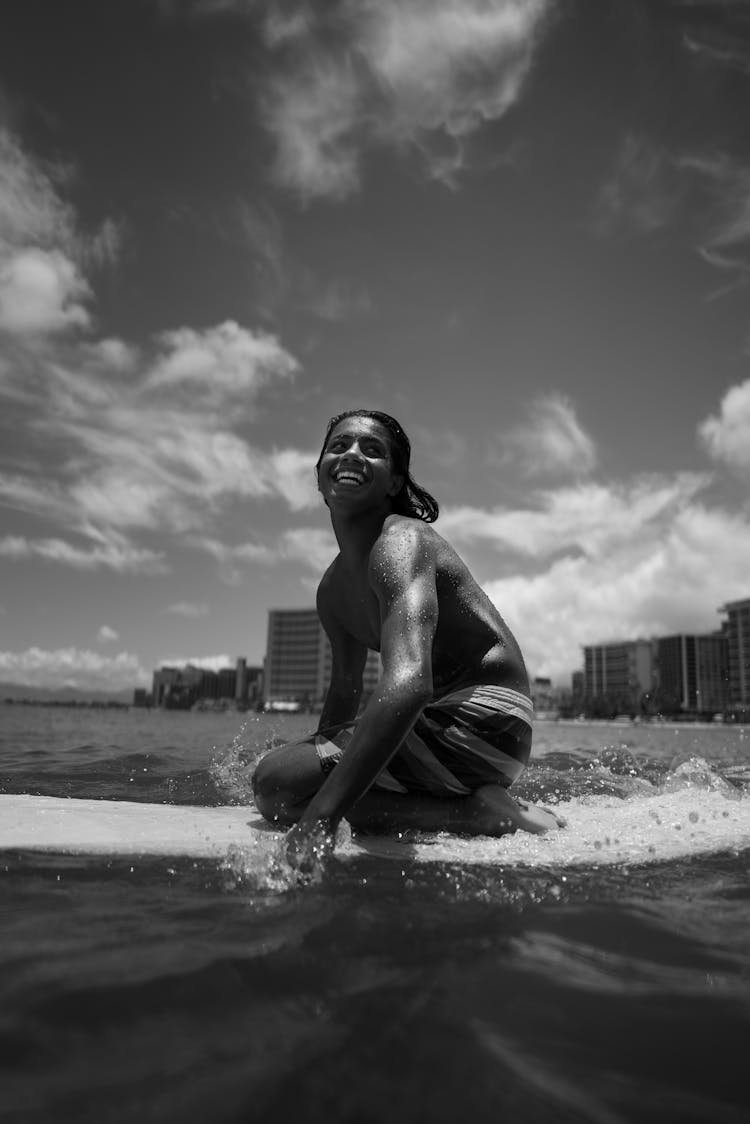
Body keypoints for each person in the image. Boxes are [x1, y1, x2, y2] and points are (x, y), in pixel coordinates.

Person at [252, 409, 563, 869]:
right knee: (288, 787)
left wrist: (318, 818)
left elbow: (412, 681)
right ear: (319, 475)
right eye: (338, 446)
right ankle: (471, 810)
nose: (352, 454)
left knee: (273, 782)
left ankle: (470, 815)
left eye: (372, 450)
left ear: (395, 481)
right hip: (472, 737)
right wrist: (316, 775)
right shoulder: (332, 591)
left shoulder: (400, 542)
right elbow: (344, 691)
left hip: (485, 718)